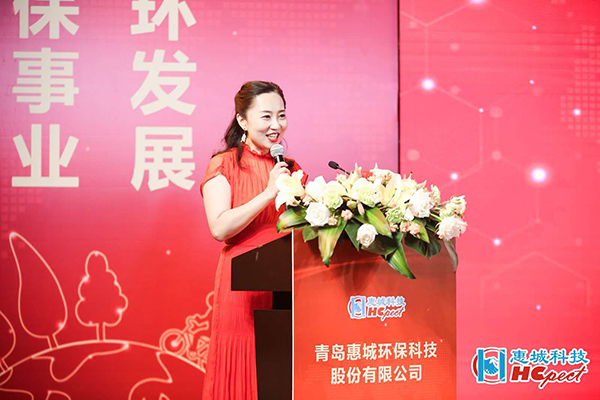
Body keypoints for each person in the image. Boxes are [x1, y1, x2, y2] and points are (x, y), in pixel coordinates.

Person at [200, 81, 307, 399]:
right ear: (242, 120)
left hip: (288, 284)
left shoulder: (291, 169)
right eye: (266, 117)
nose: (276, 125)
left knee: (280, 373)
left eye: (281, 115)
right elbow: (220, 228)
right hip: (242, 287)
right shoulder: (224, 164)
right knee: (246, 365)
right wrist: (269, 192)